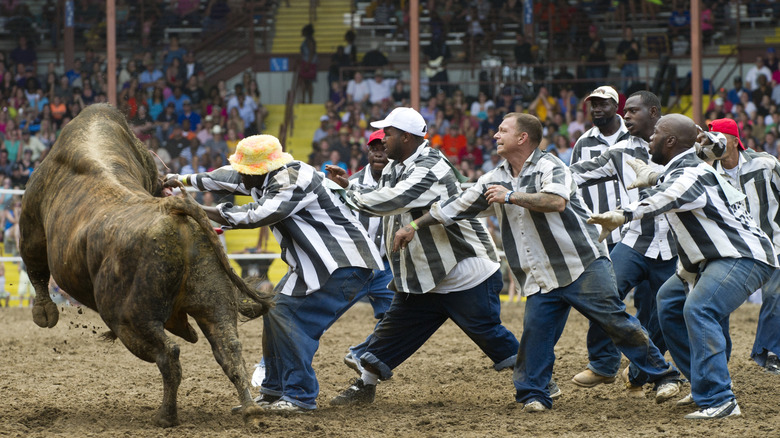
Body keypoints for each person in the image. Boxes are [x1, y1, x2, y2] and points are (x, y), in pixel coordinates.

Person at [392, 112, 680, 412]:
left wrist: (511, 197)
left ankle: (664, 376)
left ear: (522, 138)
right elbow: (452, 209)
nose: (495, 135)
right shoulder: (494, 178)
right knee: (535, 334)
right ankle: (535, 395)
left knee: (616, 322)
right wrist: (413, 226)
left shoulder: (551, 165)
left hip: (581, 265)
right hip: (541, 274)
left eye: (502, 130)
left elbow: (556, 201)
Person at [166, 134, 382, 413]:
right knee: (274, 311)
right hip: (322, 265)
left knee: (287, 317)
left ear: (262, 171)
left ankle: (299, 395)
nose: (242, 176)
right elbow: (224, 178)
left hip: (343, 264)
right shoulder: (267, 176)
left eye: (247, 171)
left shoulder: (293, 181)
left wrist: (197, 209)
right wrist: (179, 179)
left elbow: (256, 214)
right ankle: (274, 391)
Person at [326, 107, 520, 405]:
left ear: (405, 137)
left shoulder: (431, 167)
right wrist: (350, 185)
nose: (382, 140)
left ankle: (536, 380)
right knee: (392, 330)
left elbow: (392, 200)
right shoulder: (396, 165)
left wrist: (347, 194)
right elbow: (382, 191)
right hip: (423, 274)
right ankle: (365, 385)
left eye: (387, 134)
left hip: (462, 270)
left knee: (490, 334)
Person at [589, 114, 777, 419]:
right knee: (669, 301)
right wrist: (654, 175)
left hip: (741, 256)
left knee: (699, 309)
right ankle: (703, 385)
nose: (650, 137)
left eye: (656, 134)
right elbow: (681, 174)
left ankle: (720, 399)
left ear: (671, 141)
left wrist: (623, 214)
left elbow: (666, 196)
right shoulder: (688, 165)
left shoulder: (688, 173)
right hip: (716, 258)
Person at [568, 91, 680, 394]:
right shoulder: (619, 151)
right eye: (625, 111)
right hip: (633, 240)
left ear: (653, 112)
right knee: (604, 292)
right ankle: (603, 364)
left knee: (666, 311)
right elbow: (577, 173)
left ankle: (646, 370)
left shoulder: (680, 144)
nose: (626, 116)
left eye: (633, 111)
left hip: (674, 245)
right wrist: (542, 176)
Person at [704, 118, 780, 375]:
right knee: (716, 301)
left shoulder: (766, 164)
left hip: (772, 244)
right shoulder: (708, 173)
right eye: (711, 139)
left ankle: (770, 352)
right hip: (732, 250)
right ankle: (720, 355)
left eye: (720, 139)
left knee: (775, 295)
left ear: (736, 141)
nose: (714, 144)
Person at [337, 130, 395, 375]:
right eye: (373, 148)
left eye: (383, 147)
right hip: (356, 265)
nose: (378, 152)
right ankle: (273, 364)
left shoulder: (403, 180)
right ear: (368, 152)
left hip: (385, 266)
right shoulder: (351, 182)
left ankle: (360, 354)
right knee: (322, 314)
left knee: (395, 318)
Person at [570, 86, 630, 247]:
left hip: (635, 230)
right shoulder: (583, 144)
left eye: (603, 105)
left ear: (616, 107)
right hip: (601, 233)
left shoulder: (634, 136)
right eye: (594, 105)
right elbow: (574, 184)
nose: (597, 109)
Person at [298, 24, 317, 104]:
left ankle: (309, 100)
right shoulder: (306, 40)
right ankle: (305, 100)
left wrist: (308, 64)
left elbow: (312, 52)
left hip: (309, 63)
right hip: (306, 62)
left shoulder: (310, 41)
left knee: (308, 81)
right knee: (305, 82)